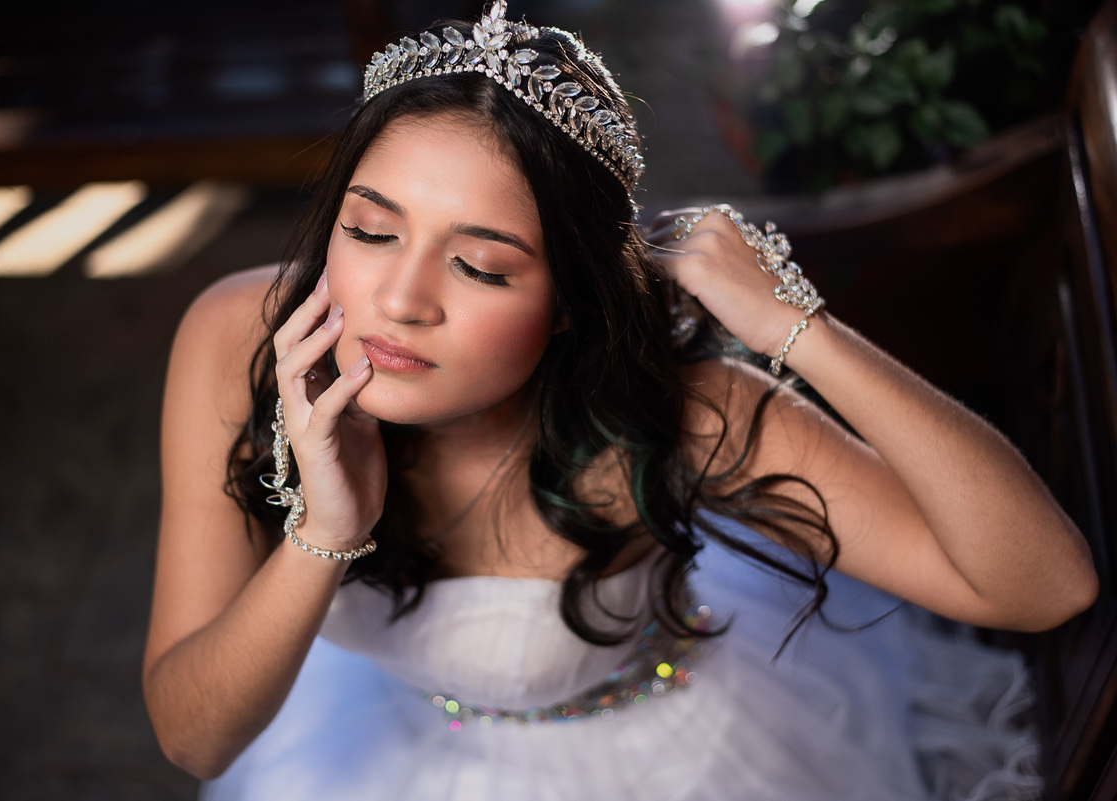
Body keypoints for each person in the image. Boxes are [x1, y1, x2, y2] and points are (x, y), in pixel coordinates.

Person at [142, 3, 1098, 799]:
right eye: (370, 229)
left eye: (479, 264)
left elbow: (1047, 585)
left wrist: (793, 328)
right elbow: (194, 738)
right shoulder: (240, 338)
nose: (399, 301)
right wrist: (324, 532)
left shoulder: (681, 413)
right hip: (386, 738)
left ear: (569, 304)